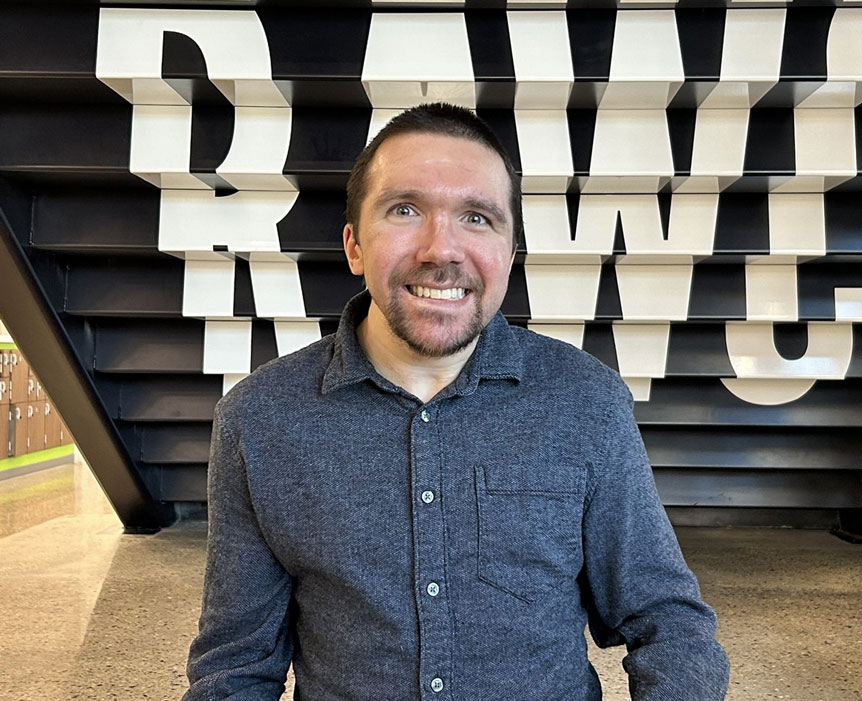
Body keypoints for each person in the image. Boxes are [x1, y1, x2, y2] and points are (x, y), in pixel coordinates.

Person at [184, 103, 729, 700]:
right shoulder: (259, 420)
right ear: (354, 246)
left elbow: (670, 623)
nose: (440, 250)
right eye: (404, 210)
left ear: (510, 251)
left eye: (476, 217)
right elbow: (234, 669)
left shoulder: (586, 401)